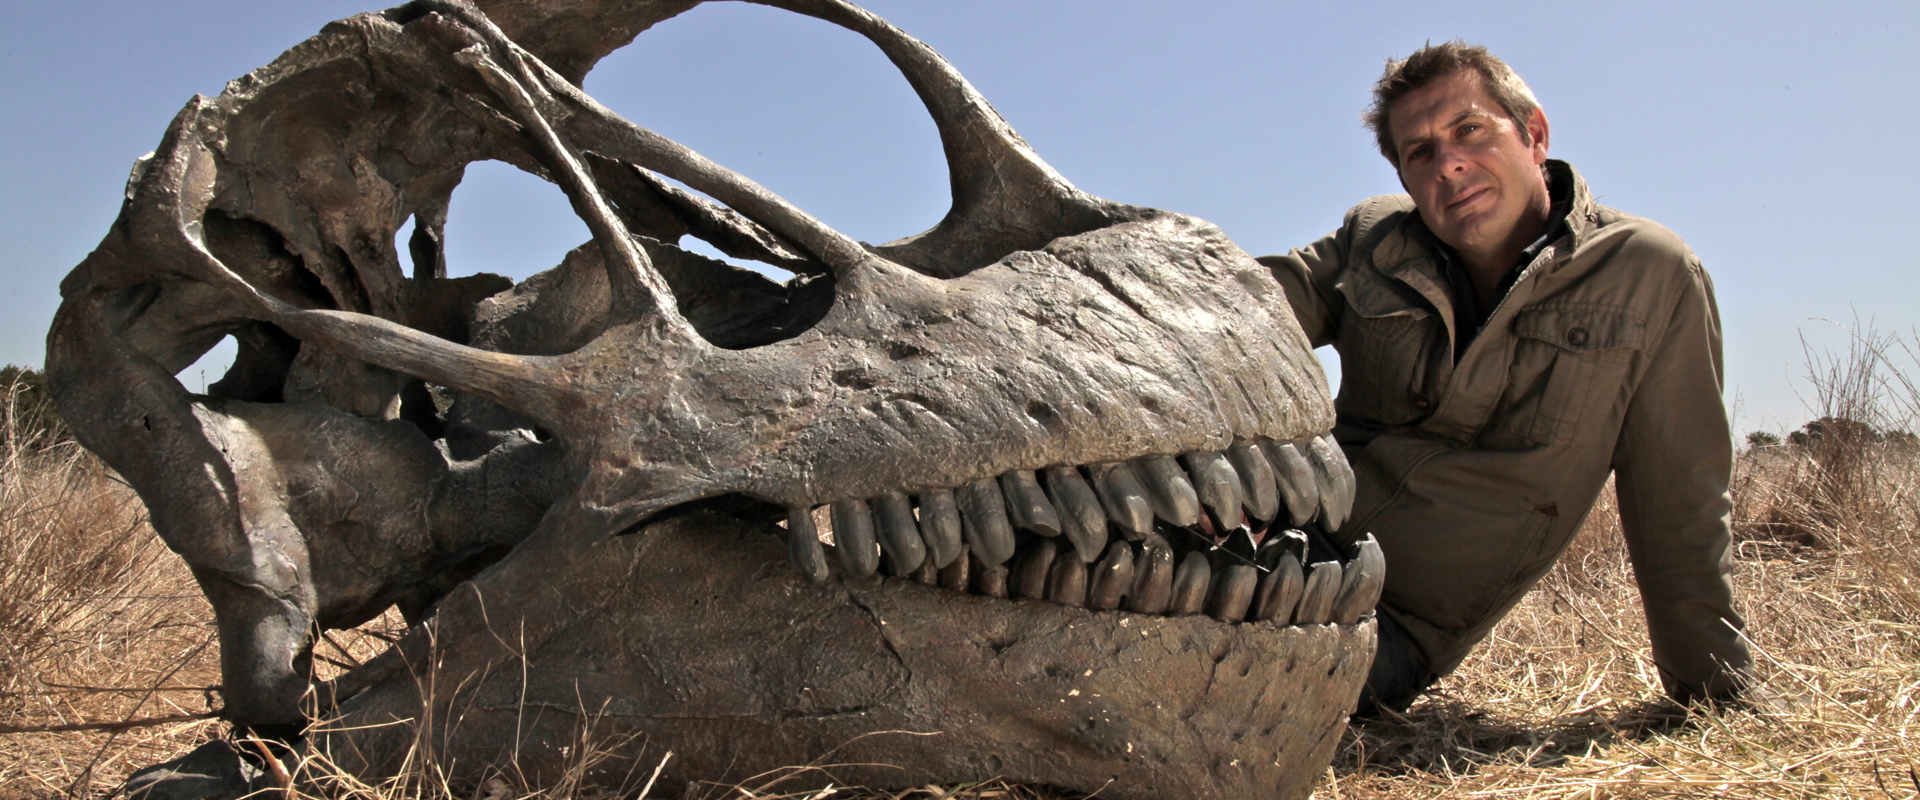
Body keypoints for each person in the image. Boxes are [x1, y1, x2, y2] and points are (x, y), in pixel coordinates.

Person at [1258, 41, 1751, 714]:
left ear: (1535, 135)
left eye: (1469, 131)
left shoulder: (1646, 274)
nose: (1449, 164)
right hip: (1259, 543)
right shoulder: (1372, 236)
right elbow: (1239, 313)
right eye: (1419, 153)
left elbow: (1681, 505)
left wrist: (1716, 695)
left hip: (1375, 625)